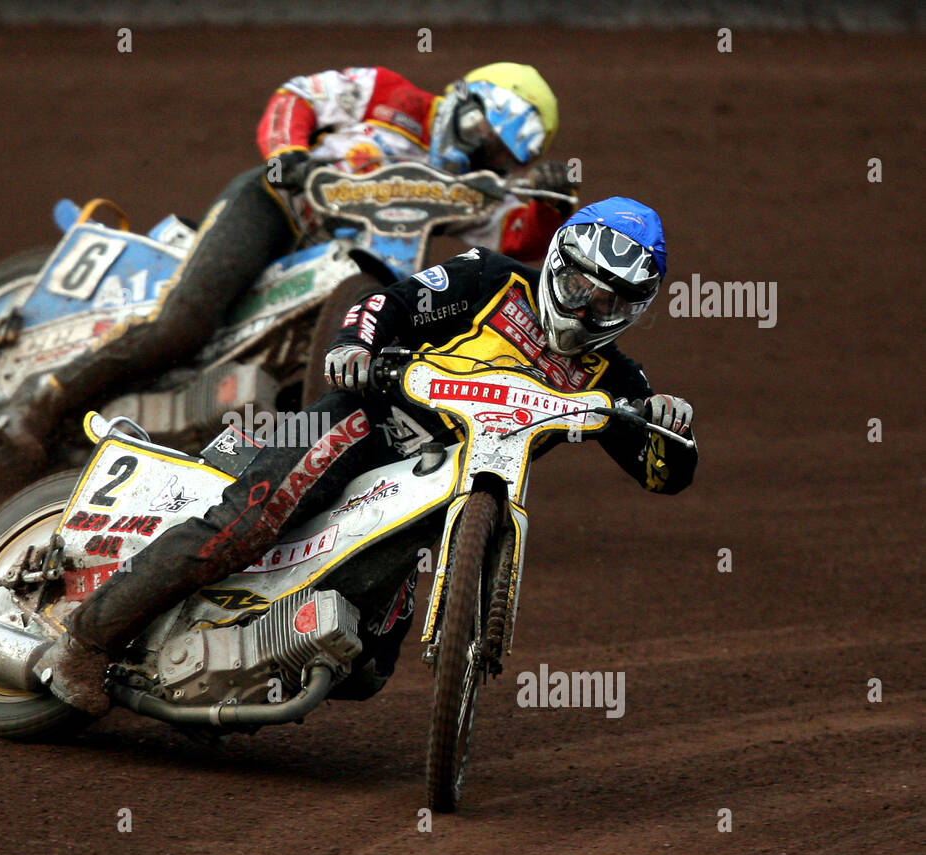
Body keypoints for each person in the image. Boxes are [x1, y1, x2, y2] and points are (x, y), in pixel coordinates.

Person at [38, 196, 698, 717]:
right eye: (580, 285)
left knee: (370, 667)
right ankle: (86, 642)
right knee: (248, 522)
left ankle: (238, 661)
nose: (588, 307)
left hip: (438, 498)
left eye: (610, 300)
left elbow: (661, 474)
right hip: (366, 419)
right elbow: (388, 301)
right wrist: (356, 347)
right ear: (557, 263)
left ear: (634, 309)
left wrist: (670, 429)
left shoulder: (618, 382)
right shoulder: (492, 278)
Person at [0, 64, 575, 462]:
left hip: (352, 267)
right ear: (463, 98)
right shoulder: (386, 92)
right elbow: (295, 98)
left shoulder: (463, 186)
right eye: (481, 130)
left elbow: (514, 237)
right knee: (186, 319)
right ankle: (43, 398)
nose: (480, 151)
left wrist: (551, 207)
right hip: (276, 206)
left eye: (498, 152)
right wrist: (289, 157)